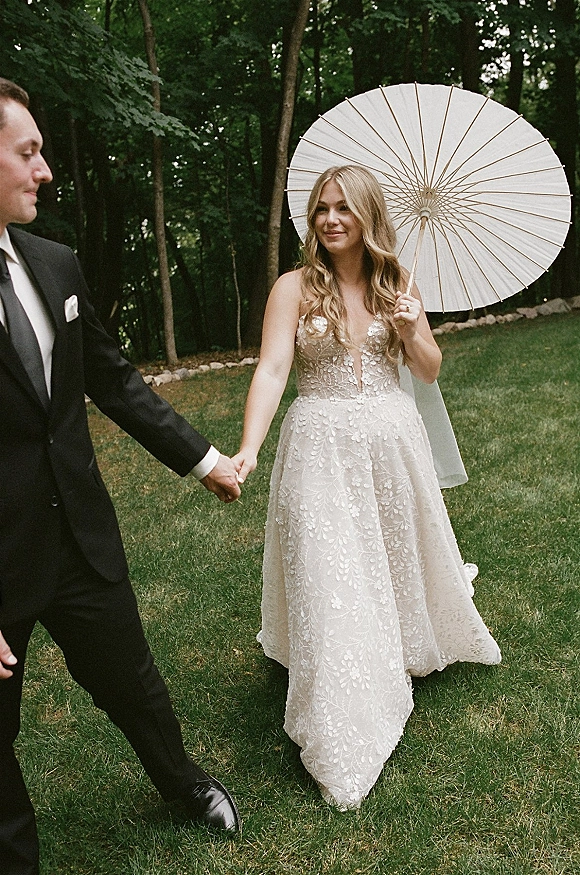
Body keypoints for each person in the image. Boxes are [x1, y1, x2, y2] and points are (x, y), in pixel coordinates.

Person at [0, 79, 242, 875]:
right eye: (28, 151)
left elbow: (114, 379)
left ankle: (184, 784)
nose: (45, 171)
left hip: (79, 537)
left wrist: (203, 462)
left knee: (131, 679)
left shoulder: (55, 263)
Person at [233, 164, 501, 810]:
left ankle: (403, 642)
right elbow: (272, 369)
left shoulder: (398, 282)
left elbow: (430, 370)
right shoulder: (293, 288)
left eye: (344, 209)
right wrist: (247, 448)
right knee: (331, 566)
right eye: (322, 208)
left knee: (388, 551)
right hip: (318, 442)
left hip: (391, 437)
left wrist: (410, 325)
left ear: (367, 216)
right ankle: (338, 703)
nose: (330, 219)